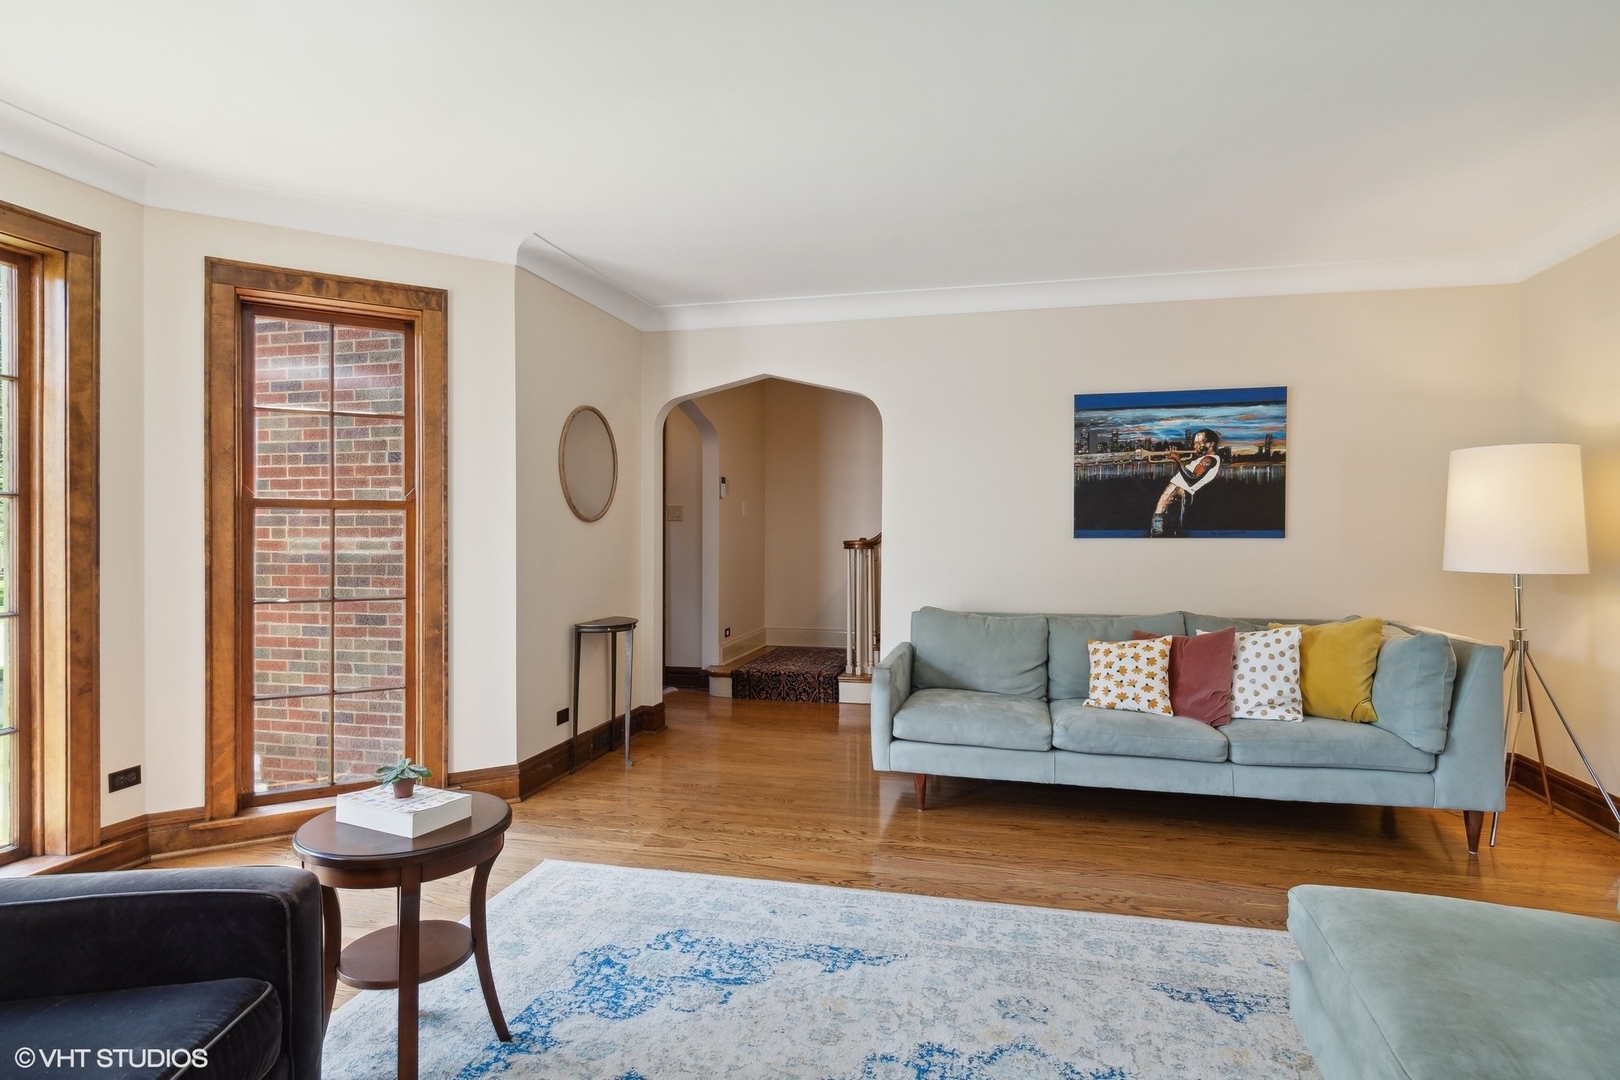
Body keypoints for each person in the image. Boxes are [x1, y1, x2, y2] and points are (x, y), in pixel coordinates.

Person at [1150, 429, 1221, 537]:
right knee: (1168, 523)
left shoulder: (1209, 460)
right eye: (1194, 443)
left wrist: (1177, 460)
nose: (1195, 446)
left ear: (1211, 444)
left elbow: (1191, 479)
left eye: (1199, 443)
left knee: (1162, 521)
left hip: (1178, 492)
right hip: (1179, 492)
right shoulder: (1205, 459)